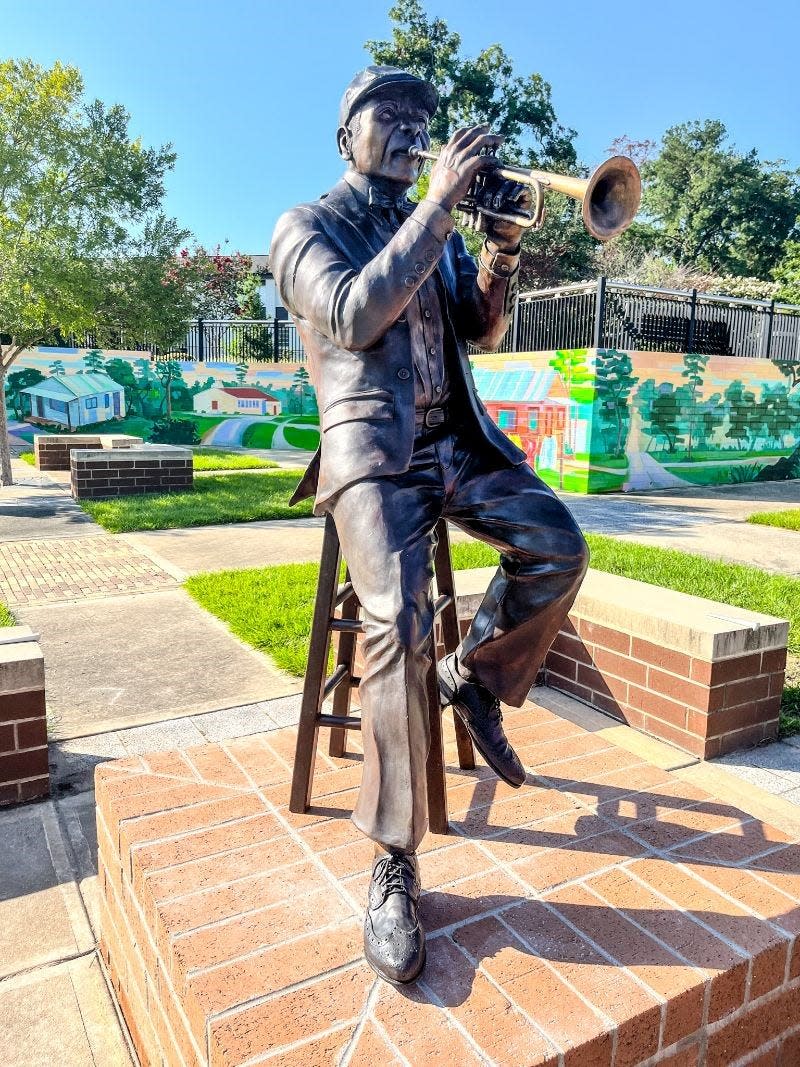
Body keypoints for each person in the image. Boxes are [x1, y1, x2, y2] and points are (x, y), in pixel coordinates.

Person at [270, 65, 589, 985]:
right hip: (374, 456)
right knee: (398, 620)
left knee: (560, 547)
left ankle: (474, 674)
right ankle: (393, 862)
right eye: (390, 117)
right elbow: (357, 314)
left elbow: (480, 329)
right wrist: (443, 206)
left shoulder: (438, 231)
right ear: (346, 140)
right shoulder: (306, 226)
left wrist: (501, 250)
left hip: (458, 442)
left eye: (421, 118)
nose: (413, 130)